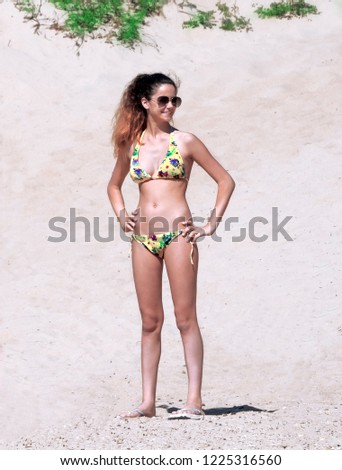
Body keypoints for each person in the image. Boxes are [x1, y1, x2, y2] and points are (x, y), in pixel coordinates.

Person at [107, 73, 235, 419]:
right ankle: (148, 402)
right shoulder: (130, 144)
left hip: (179, 235)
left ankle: (194, 400)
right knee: (150, 321)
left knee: (185, 318)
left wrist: (210, 224)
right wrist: (121, 215)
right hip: (142, 238)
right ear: (145, 102)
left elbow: (225, 181)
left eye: (174, 100)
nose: (170, 106)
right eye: (163, 100)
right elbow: (114, 186)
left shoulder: (186, 141)